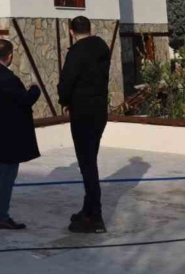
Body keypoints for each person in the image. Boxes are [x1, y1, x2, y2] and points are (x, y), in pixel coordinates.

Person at [0, 38, 42, 230]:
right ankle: (1, 217)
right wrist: (35, 88)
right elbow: (25, 100)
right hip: (10, 135)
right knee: (6, 177)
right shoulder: (8, 78)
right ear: (10, 56)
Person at [57, 16, 112, 234]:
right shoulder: (102, 47)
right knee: (90, 160)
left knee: (87, 164)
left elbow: (66, 82)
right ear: (91, 29)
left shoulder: (76, 52)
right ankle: (88, 209)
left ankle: (95, 216)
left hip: (82, 112)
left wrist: (64, 101)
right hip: (99, 111)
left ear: (71, 32)